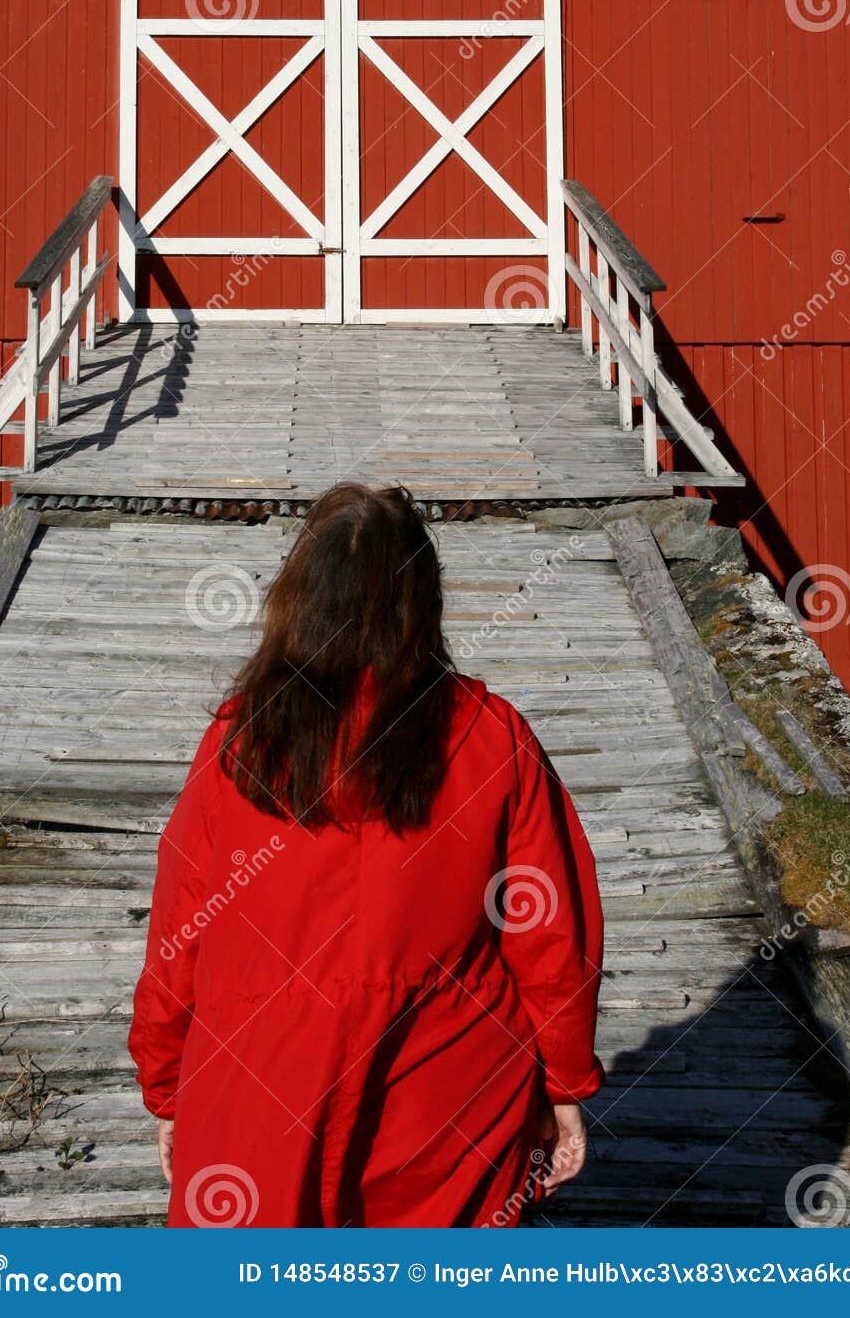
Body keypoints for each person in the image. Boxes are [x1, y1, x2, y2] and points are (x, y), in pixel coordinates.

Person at [128, 483, 603, 1228]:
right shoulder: (488, 733)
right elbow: (548, 936)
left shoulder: (239, 739)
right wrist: (563, 1084)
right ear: (421, 601)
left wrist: (168, 1085)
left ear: (298, 599)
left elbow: (181, 928)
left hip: (261, 1079)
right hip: (445, 1084)